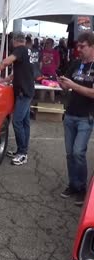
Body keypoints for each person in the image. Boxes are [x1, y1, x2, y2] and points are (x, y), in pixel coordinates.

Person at [58, 32, 94, 206]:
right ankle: (73, 185)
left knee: (79, 152)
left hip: (86, 117)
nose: (78, 49)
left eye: (82, 46)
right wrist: (63, 84)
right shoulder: (76, 63)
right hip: (70, 114)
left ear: (92, 46)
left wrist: (73, 85)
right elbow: (66, 86)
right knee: (70, 154)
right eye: (78, 46)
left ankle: (82, 189)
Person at [0, 32, 34, 166]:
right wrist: (2, 80)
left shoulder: (20, 50)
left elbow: (5, 62)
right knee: (24, 123)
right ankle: (22, 150)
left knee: (17, 122)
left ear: (14, 41)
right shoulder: (27, 51)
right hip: (27, 91)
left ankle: (22, 153)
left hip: (23, 93)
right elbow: (17, 73)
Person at [39, 38, 60, 102]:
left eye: (48, 43)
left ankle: (52, 103)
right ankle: (41, 104)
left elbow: (58, 63)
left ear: (52, 44)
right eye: (46, 43)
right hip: (43, 73)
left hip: (51, 73)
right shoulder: (42, 52)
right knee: (42, 89)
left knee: (51, 89)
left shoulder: (55, 52)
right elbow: (39, 61)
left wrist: (53, 69)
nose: (46, 44)